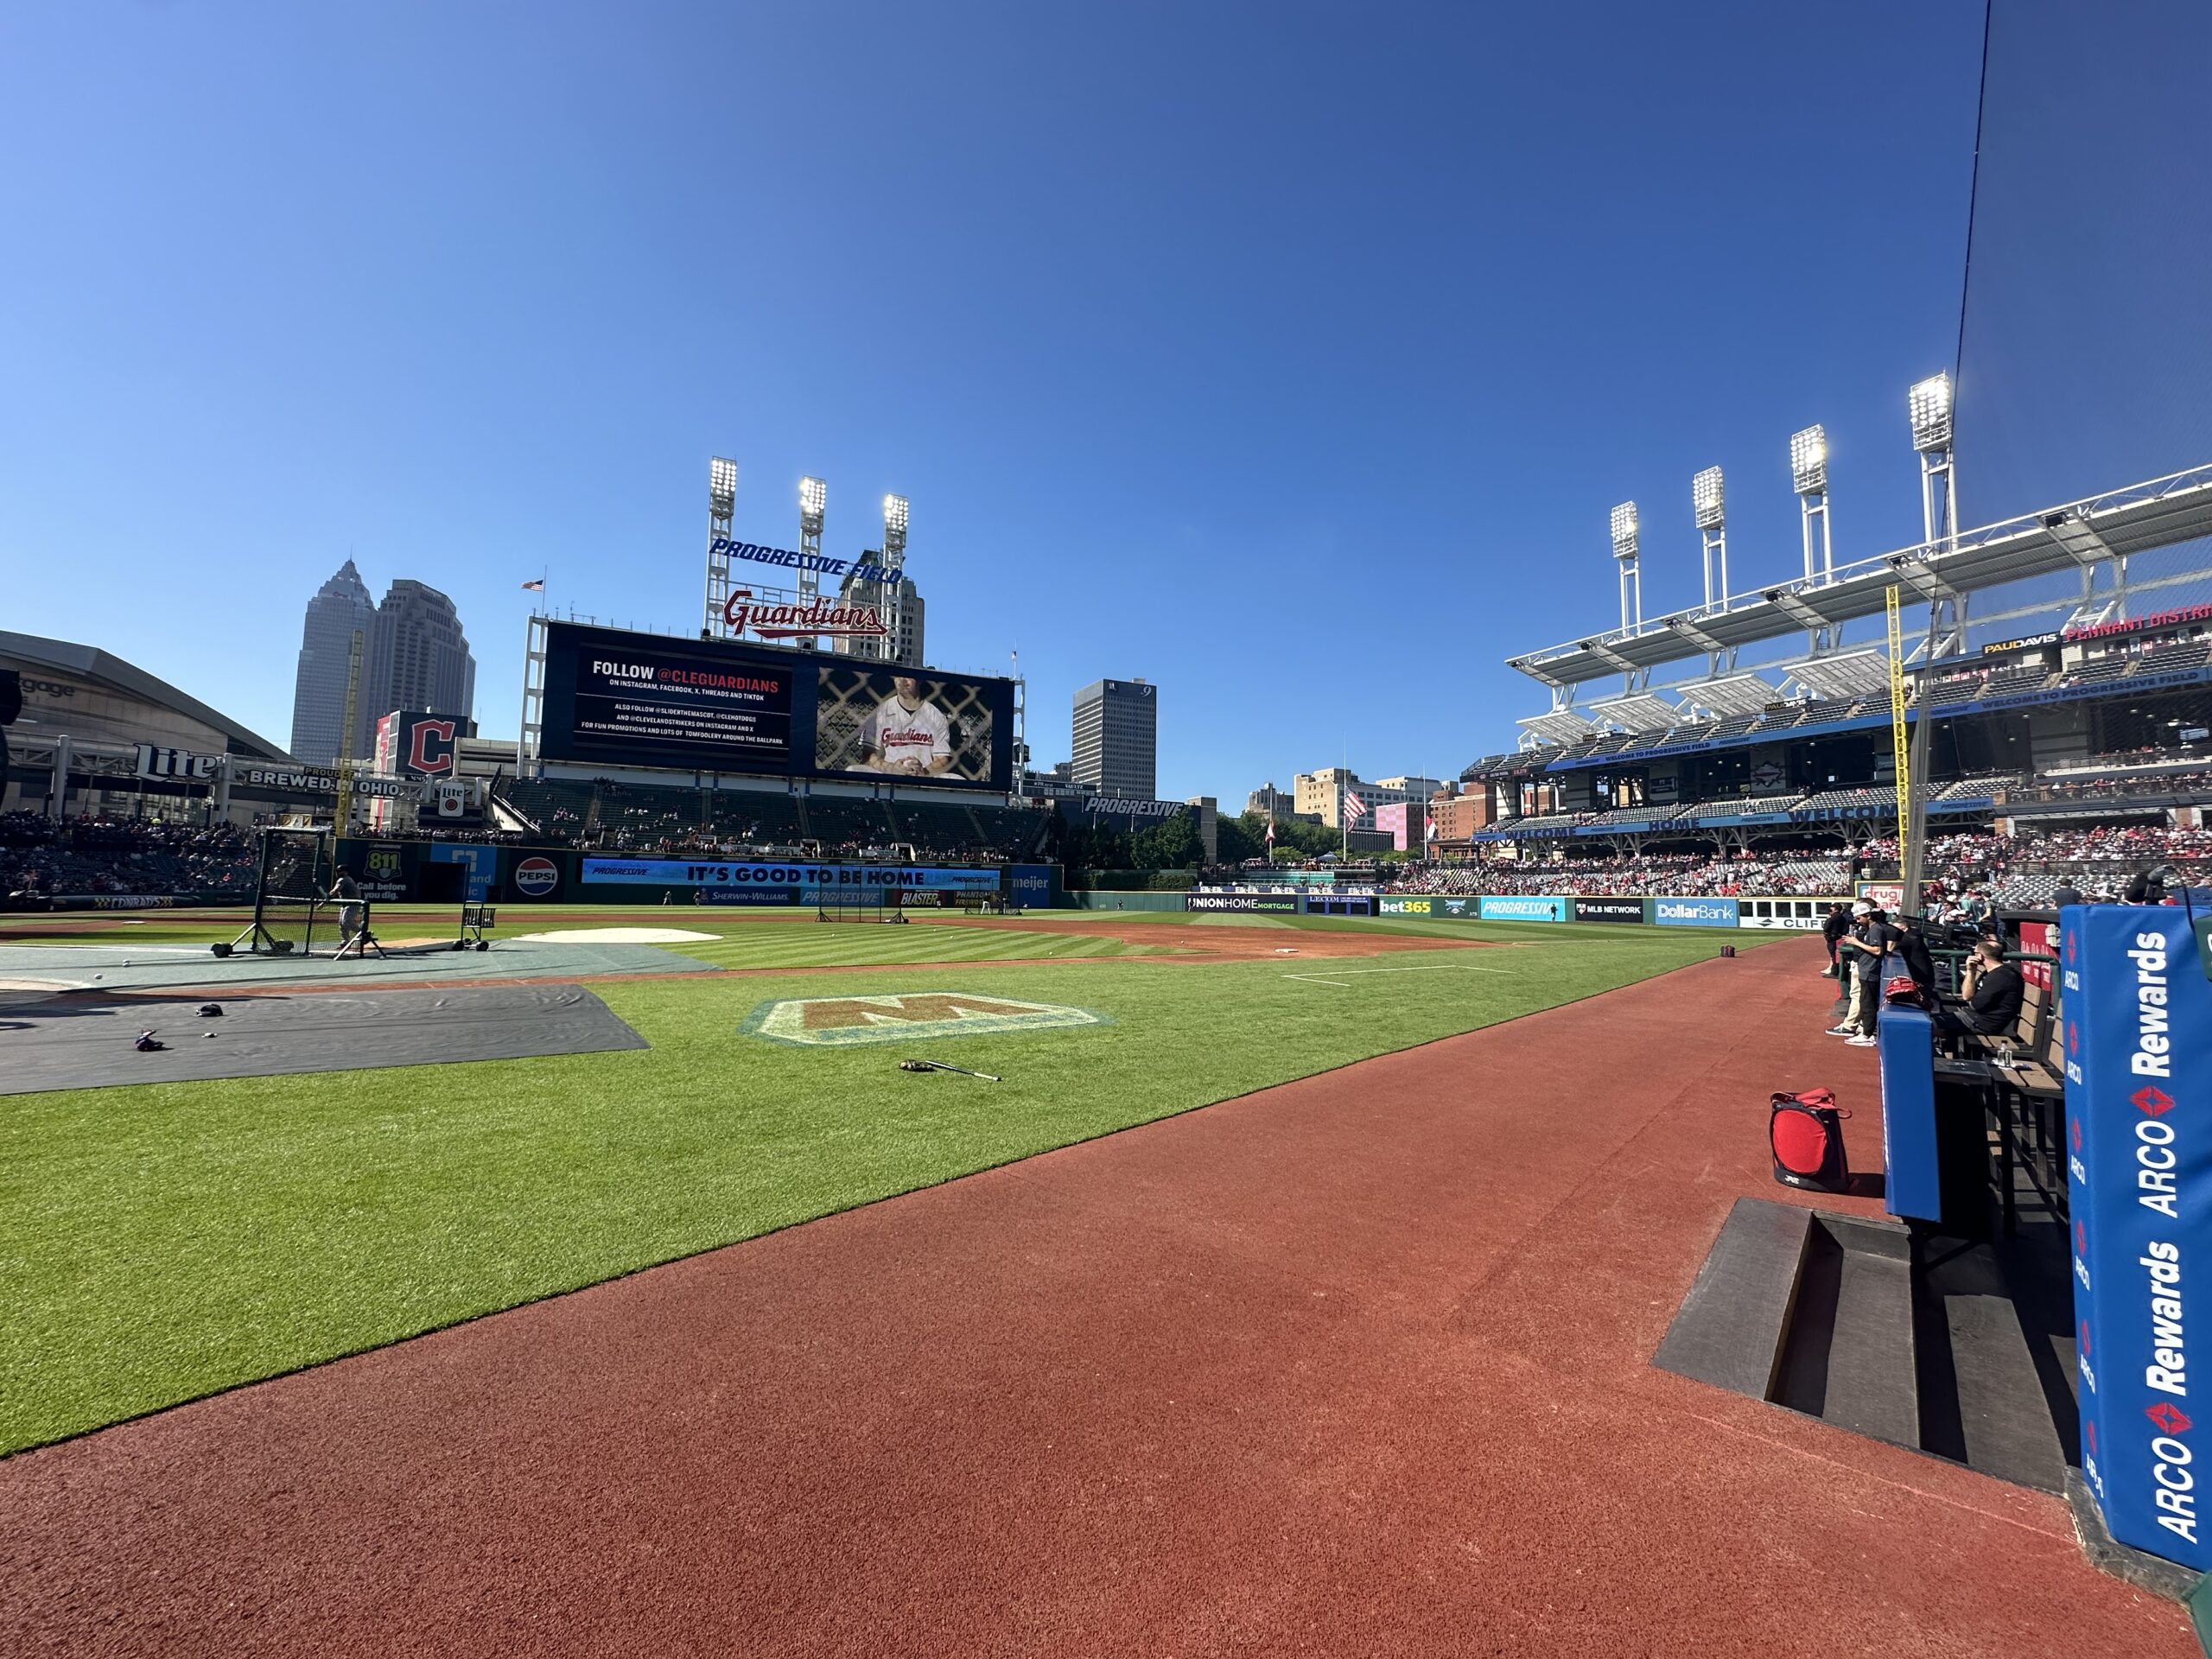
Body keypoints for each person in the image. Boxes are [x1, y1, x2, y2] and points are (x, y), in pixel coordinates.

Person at [855, 677, 954, 777]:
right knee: (853, 770)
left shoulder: (936, 716)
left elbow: (942, 759)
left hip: (925, 779)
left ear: (920, 679)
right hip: (887, 777)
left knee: (956, 779)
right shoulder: (880, 713)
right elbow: (869, 756)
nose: (903, 680)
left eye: (908, 676)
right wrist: (893, 769)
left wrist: (923, 771)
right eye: (898, 676)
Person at [1930, 938, 2026, 1039]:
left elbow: (1974, 1003)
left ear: (1980, 956)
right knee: (1928, 1020)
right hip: (1973, 1017)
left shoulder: (2002, 976)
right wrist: (1970, 970)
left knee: (1927, 1025)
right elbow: (1967, 997)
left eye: (1974, 953)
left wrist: (1972, 999)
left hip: (1983, 1023)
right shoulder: (1992, 972)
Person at [1820, 901, 1850, 979]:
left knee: (1834, 956)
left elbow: (1826, 927)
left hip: (1832, 939)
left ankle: (1835, 972)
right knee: (1838, 955)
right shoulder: (1843, 917)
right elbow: (1845, 929)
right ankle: (1838, 971)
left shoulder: (1832, 918)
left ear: (1835, 909)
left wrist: (1827, 935)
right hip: (1839, 937)